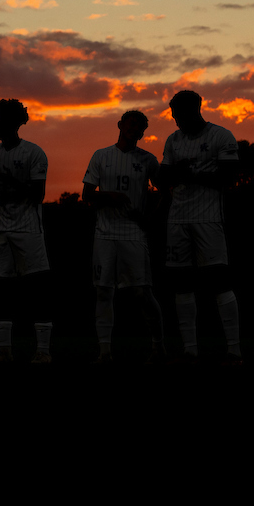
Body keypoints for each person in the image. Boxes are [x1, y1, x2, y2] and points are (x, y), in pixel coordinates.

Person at [156, 90, 242, 364]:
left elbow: (228, 177)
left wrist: (191, 173)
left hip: (208, 218)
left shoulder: (221, 136)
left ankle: (234, 349)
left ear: (194, 110)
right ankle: (190, 349)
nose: (175, 119)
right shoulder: (173, 140)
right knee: (181, 283)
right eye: (172, 114)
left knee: (219, 280)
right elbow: (163, 178)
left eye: (178, 114)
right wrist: (175, 172)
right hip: (177, 218)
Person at [82, 110, 165, 364]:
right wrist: (109, 196)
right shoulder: (101, 156)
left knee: (142, 292)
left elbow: (165, 192)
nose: (133, 129)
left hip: (133, 234)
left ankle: (158, 346)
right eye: (130, 124)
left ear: (143, 132)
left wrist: (149, 218)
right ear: (119, 125)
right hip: (105, 234)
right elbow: (87, 194)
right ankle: (105, 351)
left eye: (138, 127)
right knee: (104, 292)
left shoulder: (148, 160)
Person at [0, 99, 54, 364]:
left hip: (28, 229)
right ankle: (4, 350)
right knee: (0, 288)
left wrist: (1, 181)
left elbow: (38, 195)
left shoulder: (34, 153)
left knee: (36, 289)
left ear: (11, 122)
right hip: (0, 228)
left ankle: (43, 351)